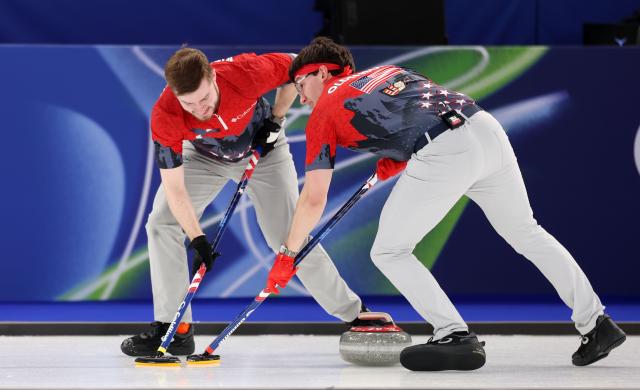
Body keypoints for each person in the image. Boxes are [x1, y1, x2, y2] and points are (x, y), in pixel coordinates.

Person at [264, 37, 626, 371]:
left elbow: (313, 198)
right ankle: (597, 323)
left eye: (300, 85)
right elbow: (419, 107)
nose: (301, 97)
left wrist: (288, 254)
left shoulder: (325, 108)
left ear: (324, 72)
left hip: (445, 151)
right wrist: (400, 152)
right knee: (527, 233)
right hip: (484, 127)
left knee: (389, 251)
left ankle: (452, 333)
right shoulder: (389, 71)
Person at [120, 47, 377, 357]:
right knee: (161, 223)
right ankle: (175, 329)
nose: (199, 109)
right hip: (204, 158)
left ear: (213, 77)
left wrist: (277, 118)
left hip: (263, 150)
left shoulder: (244, 73)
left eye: (204, 99)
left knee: (287, 235)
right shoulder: (166, 115)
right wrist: (197, 238)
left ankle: (356, 315)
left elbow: (298, 67)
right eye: (189, 103)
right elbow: (175, 190)